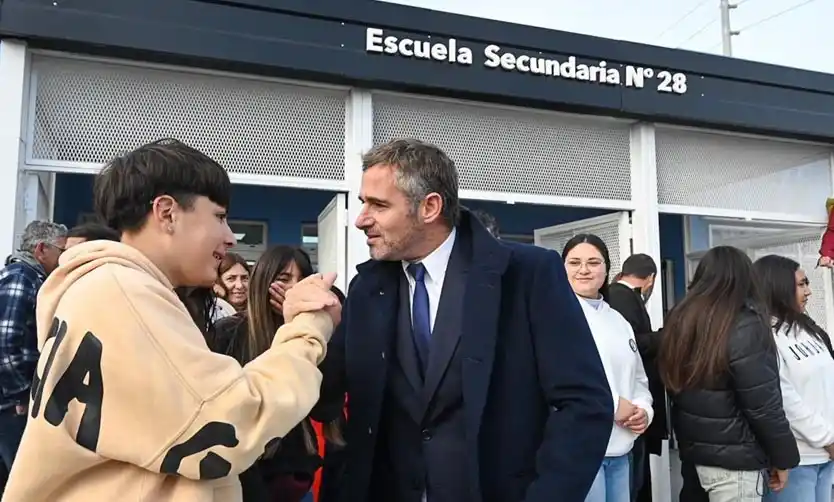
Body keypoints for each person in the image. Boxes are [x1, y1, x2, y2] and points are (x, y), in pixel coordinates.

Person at [3, 138, 342, 502]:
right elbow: (232, 422)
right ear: (166, 213)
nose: (230, 238)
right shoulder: (125, 294)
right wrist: (308, 327)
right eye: (220, 216)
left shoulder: (103, 288)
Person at [318, 138, 614, 502]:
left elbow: (584, 405)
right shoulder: (366, 289)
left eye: (378, 205)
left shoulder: (526, 275)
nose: (361, 219)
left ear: (430, 207)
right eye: (364, 203)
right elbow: (326, 399)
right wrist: (310, 328)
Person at [659, 246, 799, 501]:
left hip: (694, 456)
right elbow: (763, 404)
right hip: (736, 462)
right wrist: (784, 457)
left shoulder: (680, 320)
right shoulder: (746, 323)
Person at [207, 245, 345, 502]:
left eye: (302, 280)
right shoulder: (227, 332)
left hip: (293, 475)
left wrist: (306, 325)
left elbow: (327, 407)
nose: (294, 289)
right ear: (263, 281)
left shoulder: (314, 333)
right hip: (243, 476)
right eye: (284, 279)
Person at [562, 235, 653, 502]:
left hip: (621, 450)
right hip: (578, 451)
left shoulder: (618, 320)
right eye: (574, 262)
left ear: (607, 268)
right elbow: (559, 381)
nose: (584, 269)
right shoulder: (553, 316)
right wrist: (612, 406)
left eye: (593, 262)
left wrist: (643, 411)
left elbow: (638, 378)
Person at [755, 255, 834, 502]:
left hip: (827, 456)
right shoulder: (764, 336)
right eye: (801, 285)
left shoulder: (808, 330)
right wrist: (827, 439)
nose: (809, 291)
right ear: (777, 288)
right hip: (794, 462)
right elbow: (784, 399)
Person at [0, 220, 67, 495]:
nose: (64, 259)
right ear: (41, 249)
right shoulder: (21, 278)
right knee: (27, 486)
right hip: (12, 405)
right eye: (61, 252)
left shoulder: (27, 278)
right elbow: (4, 340)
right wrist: (20, 395)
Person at [606, 253, 668, 502]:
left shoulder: (616, 297)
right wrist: (663, 337)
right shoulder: (622, 297)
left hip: (633, 406)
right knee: (634, 483)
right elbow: (635, 345)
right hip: (626, 409)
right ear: (650, 279)